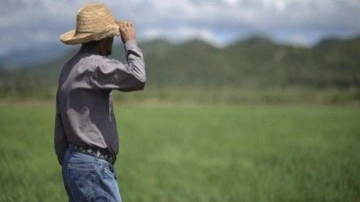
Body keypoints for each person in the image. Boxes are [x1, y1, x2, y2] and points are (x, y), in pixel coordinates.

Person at [54, 3, 146, 202]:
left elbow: (60, 122)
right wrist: (130, 43)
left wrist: (72, 163)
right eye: (112, 36)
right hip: (92, 164)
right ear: (103, 38)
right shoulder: (96, 65)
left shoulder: (68, 69)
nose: (114, 39)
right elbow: (138, 78)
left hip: (73, 162)